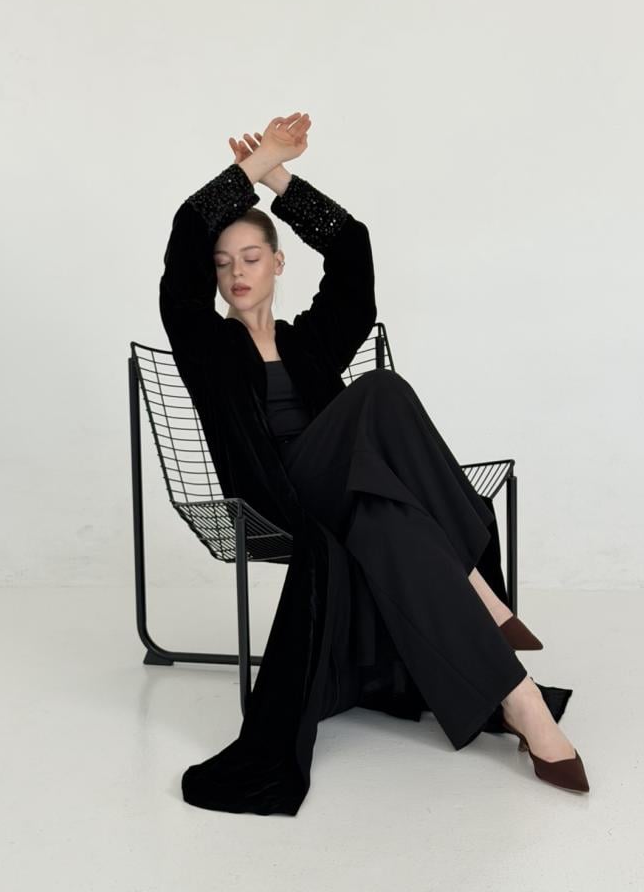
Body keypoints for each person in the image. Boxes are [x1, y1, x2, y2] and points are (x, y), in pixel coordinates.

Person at [159, 112, 589, 816]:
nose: (236, 272)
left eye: (252, 257)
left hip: (350, 489)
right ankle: (475, 584)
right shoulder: (208, 348)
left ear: (277, 263)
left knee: (391, 519)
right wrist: (253, 163)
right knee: (380, 391)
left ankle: (521, 704)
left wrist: (281, 180)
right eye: (224, 262)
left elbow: (352, 250)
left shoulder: (310, 343)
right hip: (278, 498)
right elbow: (183, 237)